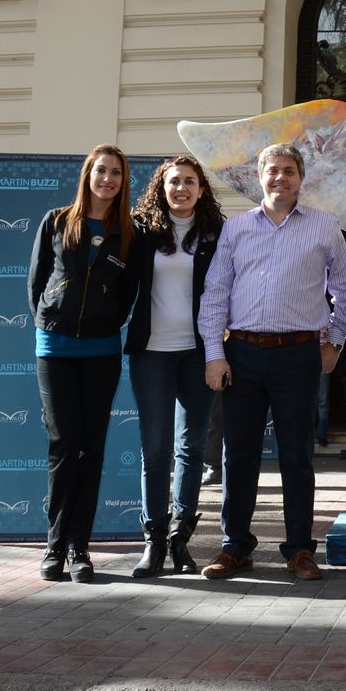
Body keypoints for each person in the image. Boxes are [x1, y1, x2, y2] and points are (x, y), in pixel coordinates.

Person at [197, 144, 346, 582]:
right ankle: (236, 548)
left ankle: (300, 549)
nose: (280, 178)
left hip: (299, 354)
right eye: (272, 171)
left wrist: (335, 342)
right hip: (243, 353)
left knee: (297, 455)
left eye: (289, 171)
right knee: (238, 455)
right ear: (259, 178)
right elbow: (216, 293)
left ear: (301, 178)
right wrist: (215, 353)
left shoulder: (325, 227)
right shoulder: (237, 228)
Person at [28, 144, 142, 583]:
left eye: (116, 173)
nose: (108, 179)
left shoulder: (130, 234)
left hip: (101, 352)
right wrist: (50, 321)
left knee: (91, 450)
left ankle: (80, 548)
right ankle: (54, 546)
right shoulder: (56, 221)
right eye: (101, 171)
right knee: (63, 445)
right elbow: (37, 281)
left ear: (123, 181)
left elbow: (129, 291)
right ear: (88, 175)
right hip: (55, 349)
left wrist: (107, 317)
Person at [125, 155, 224, 578]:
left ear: (201, 189)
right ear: (161, 188)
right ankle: (154, 542)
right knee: (156, 449)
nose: (181, 188)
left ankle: (181, 540)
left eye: (189, 181)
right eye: (173, 182)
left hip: (198, 352)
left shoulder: (217, 235)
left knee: (192, 448)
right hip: (152, 353)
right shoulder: (140, 232)